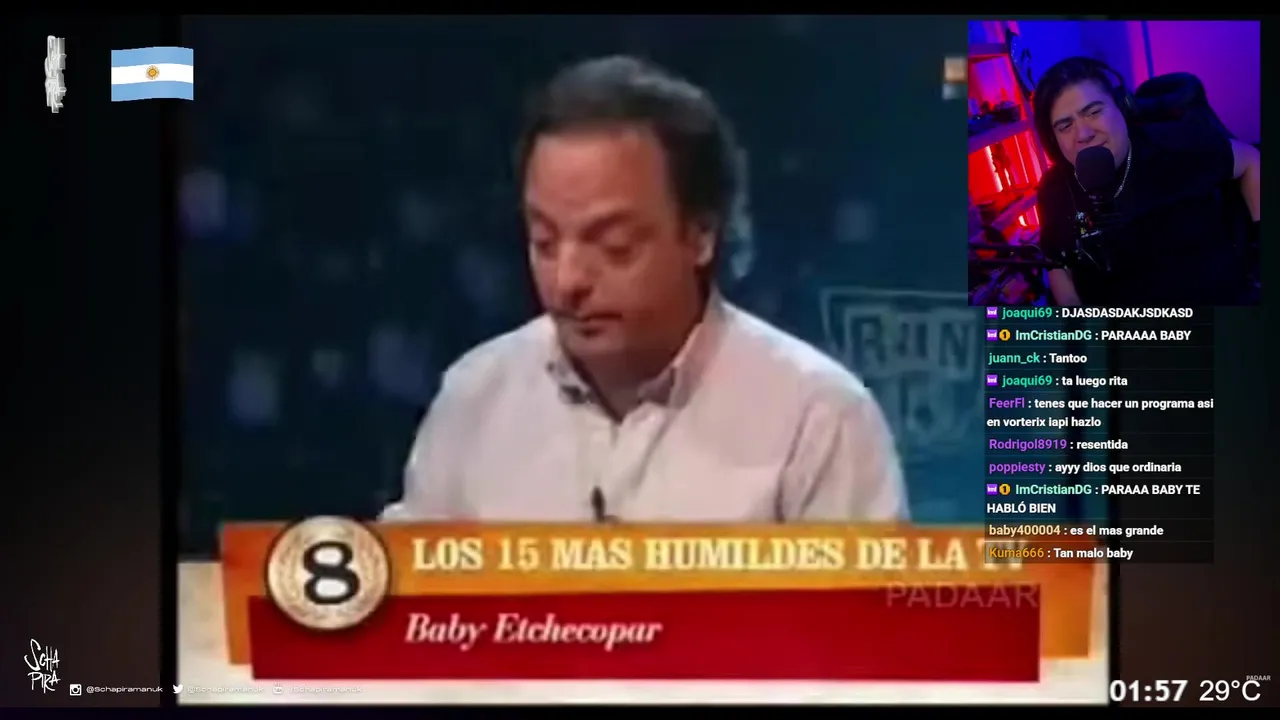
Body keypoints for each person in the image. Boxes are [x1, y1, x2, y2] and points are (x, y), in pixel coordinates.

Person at [381, 56, 906, 523]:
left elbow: (866, 607)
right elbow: (405, 592)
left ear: (700, 234)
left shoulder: (817, 420)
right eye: (544, 242)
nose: (567, 282)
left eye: (615, 246)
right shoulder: (474, 398)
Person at [1032, 57, 1260, 306]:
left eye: (1094, 112)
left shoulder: (1178, 144)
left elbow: (1251, 159)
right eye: (1065, 126)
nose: (1083, 134)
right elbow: (1058, 263)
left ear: (1122, 107)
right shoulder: (1055, 189)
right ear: (1053, 139)